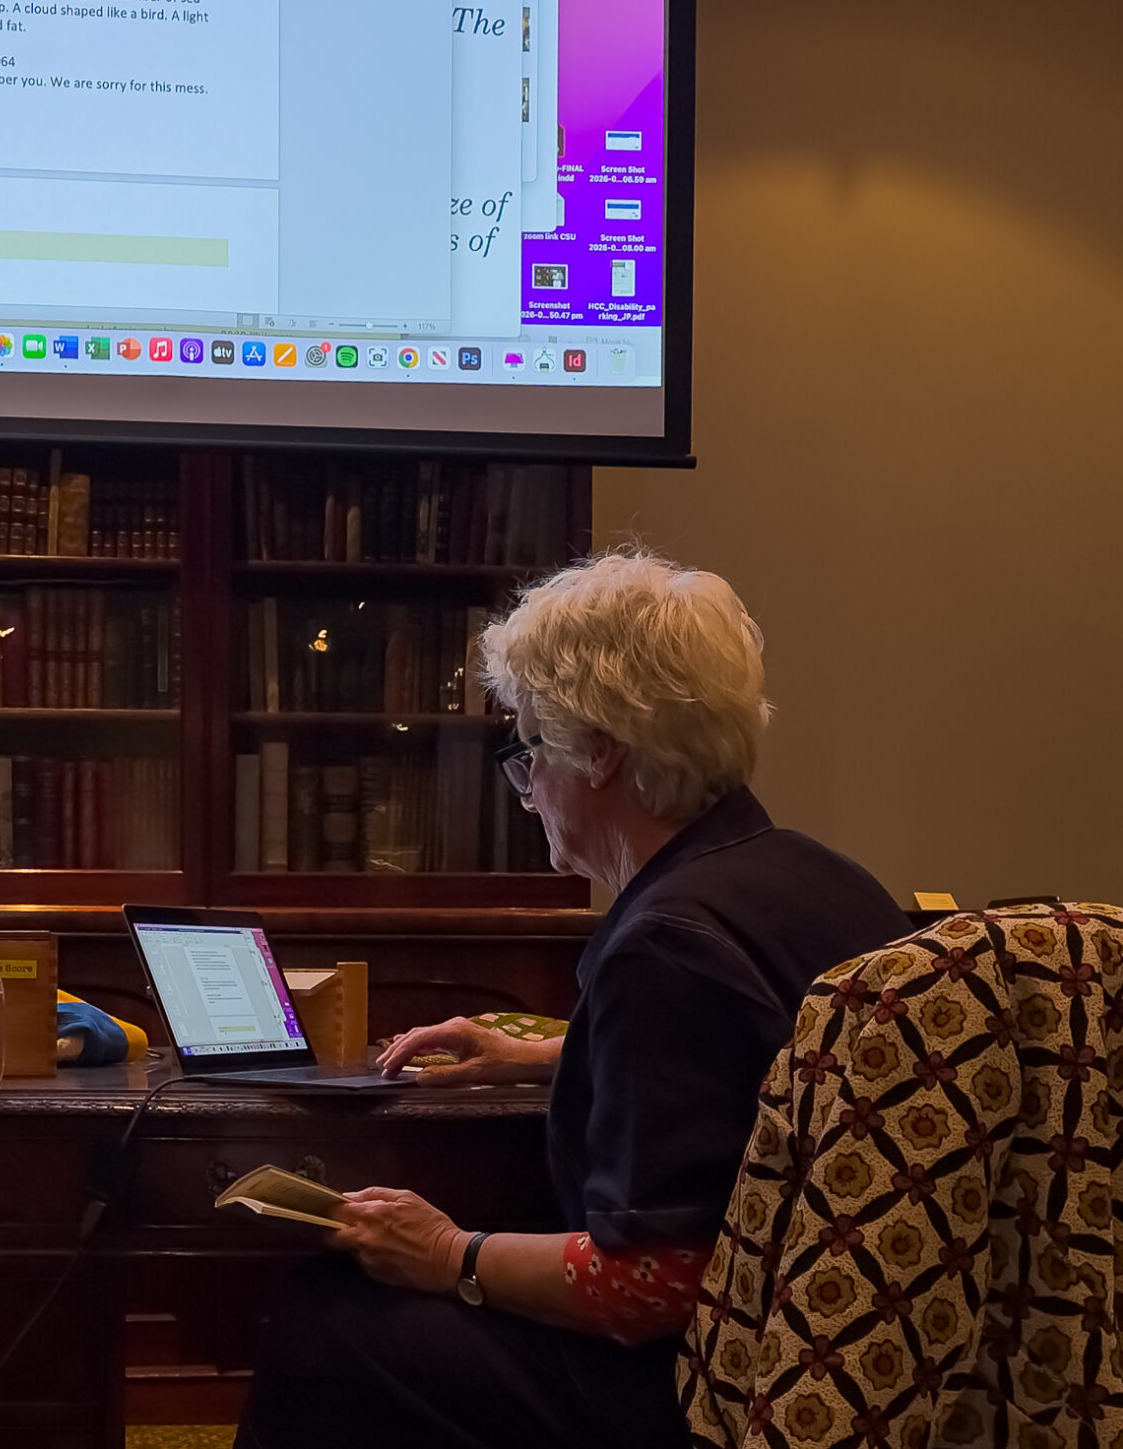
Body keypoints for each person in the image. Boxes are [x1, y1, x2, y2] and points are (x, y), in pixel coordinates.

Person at [234, 551, 909, 1449]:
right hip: (865, 1363)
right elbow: (772, 1070)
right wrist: (555, 1053)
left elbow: (651, 1285)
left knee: (334, 1319)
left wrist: (447, 1254)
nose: (524, 792)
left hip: (708, 1392)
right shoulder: (819, 878)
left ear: (599, 754)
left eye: (527, 750)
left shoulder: (665, 946)